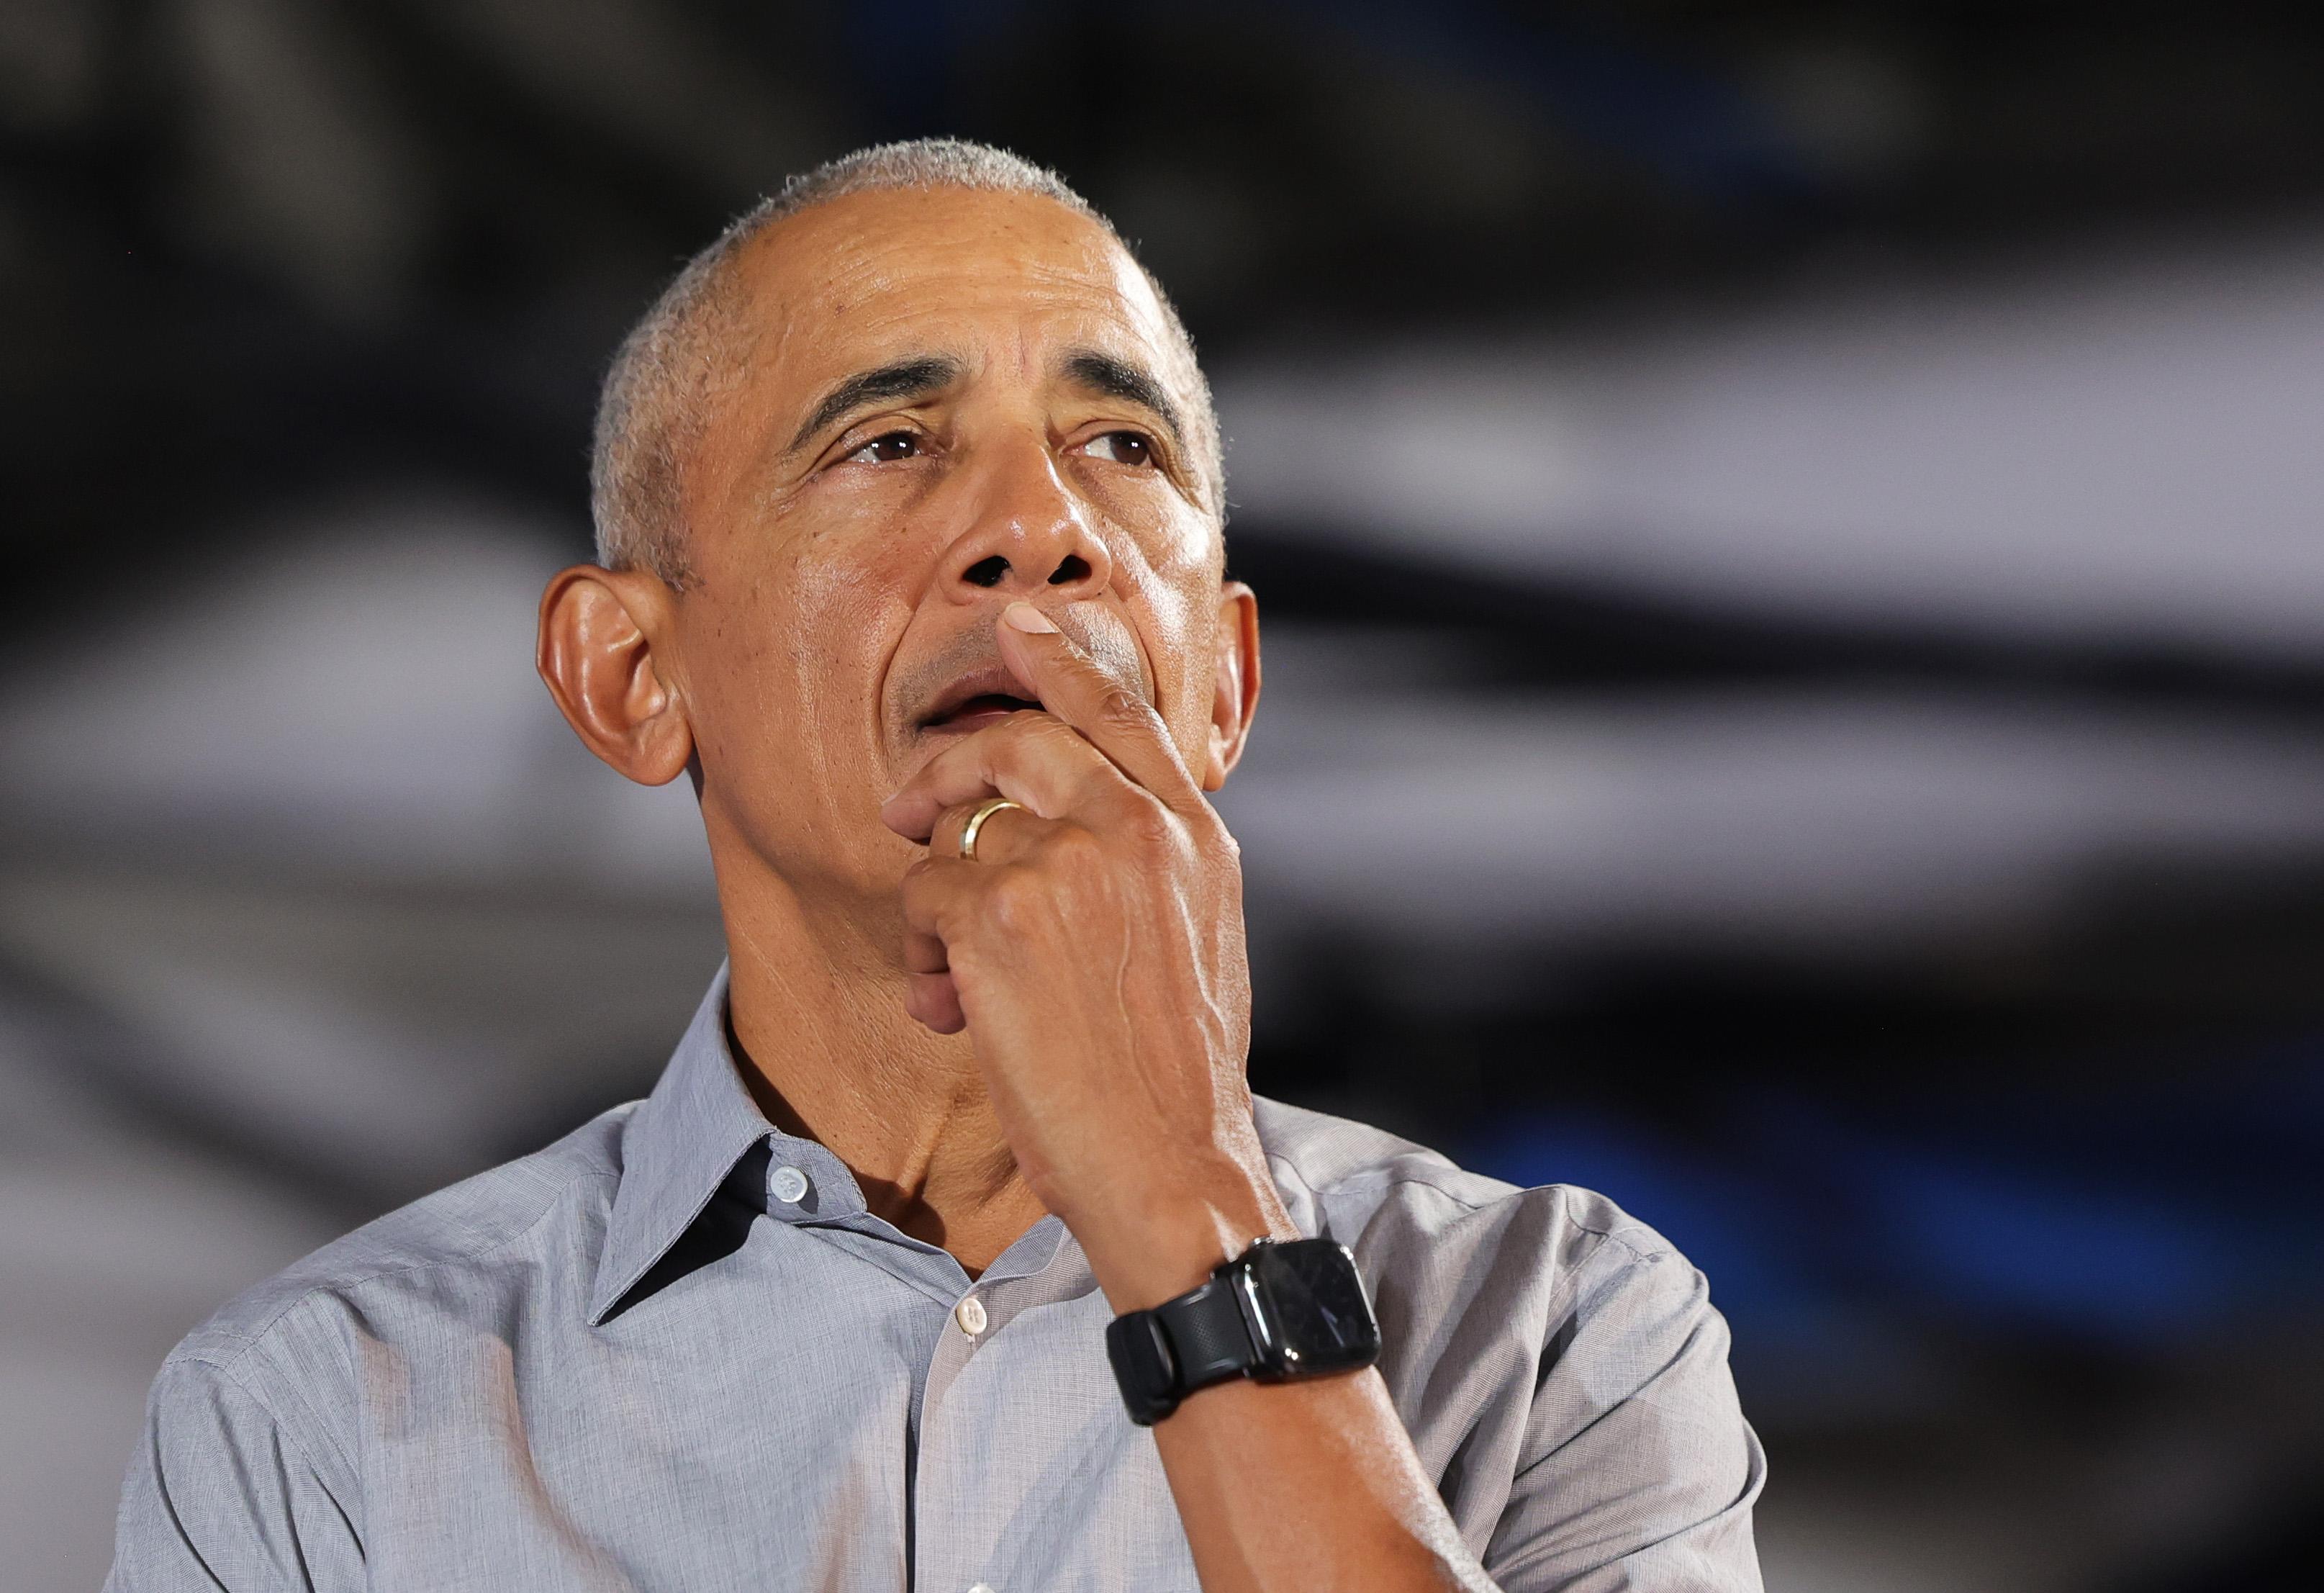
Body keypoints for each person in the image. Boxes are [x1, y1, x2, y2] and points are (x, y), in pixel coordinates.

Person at [107, 139, 1763, 1593]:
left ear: (1226, 684)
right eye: (888, 441)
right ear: (629, 679)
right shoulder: (315, 1421)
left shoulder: (1559, 1333)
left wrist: (1189, 1214)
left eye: (1121, 448)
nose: (1039, 528)